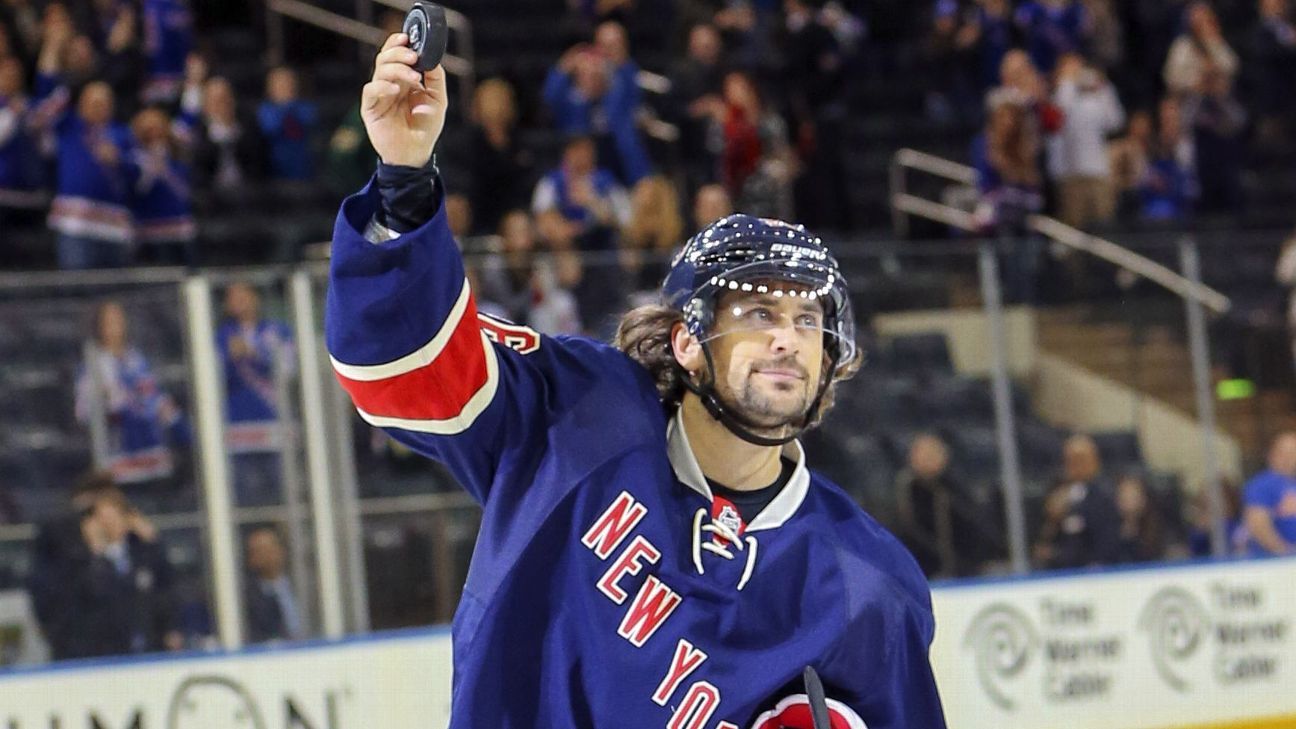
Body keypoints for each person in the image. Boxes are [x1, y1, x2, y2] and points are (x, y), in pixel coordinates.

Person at [324, 33, 946, 726]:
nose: (786, 337)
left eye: (807, 319)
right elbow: (407, 368)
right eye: (759, 310)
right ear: (687, 340)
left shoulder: (866, 583)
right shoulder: (578, 413)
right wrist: (404, 180)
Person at [29, 476, 181, 660]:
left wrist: (152, 541)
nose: (110, 522)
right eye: (102, 516)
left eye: (116, 512)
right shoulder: (75, 560)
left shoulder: (143, 552)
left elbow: (166, 590)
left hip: (145, 652)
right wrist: (95, 553)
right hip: (92, 656)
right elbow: (77, 600)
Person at [75, 300, 190, 487]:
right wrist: (104, 404)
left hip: (153, 456)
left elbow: (155, 397)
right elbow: (83, 413)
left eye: (119, 319)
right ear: (99, 326)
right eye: (109, 321)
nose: (116, 325)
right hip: (121, 461)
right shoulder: (93, 365)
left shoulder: (137, 359)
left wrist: (177, 425)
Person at [217, 282, 294, 506]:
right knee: (244, 498)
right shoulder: (222, 336)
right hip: (238, 429)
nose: (238, 301)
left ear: (255, 297)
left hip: (274, 422)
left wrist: (254, 354)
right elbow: (212, 379)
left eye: (243, 294)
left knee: (282, 495)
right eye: (232, 297)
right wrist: (230, 358)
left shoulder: (278, 330)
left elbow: (289, 368)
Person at [1032, 435, 1121, 569]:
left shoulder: (1104, 494)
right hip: (1059, 568)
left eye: (1081, 459)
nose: (1076, 465)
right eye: (1070, 460)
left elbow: (1108, 536)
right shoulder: (1055, 492)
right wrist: (1052, 519)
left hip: (1094, 566)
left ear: (1095, 461)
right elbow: (1043, 538)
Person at [130, 106, 196, 265]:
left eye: (158, 128)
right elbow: (137, 191)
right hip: (152, 232)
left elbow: (185, 191)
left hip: (181, 229)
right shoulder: (134, 158)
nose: (154, 134)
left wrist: (165, 168)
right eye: (149, 130)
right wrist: (151, 168)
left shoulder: (178, 156)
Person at [244, 526, 304, 643]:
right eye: (259, 551)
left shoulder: (302, 584)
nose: (267, 556)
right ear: (251, 559)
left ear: (282, 550)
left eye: (270, 548)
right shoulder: (248, 599)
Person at [1241, 432, 1296, 556]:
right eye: (1285, 453)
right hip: (1275, 561)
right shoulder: (1262, 484)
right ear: (1272, 454)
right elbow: (1258, 523)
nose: (1290, 458)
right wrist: (1283, 551)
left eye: (1293, 453)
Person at [257, 66, 316, 181]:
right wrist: (284, 108)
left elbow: (309, 122)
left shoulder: (306, 107)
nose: (285, 87)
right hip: (274, 167)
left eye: (289, 83)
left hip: (303, 166)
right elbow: (270, 128)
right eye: (280, 84)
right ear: (270, 88)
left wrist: (289, 106)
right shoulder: (265, 110)